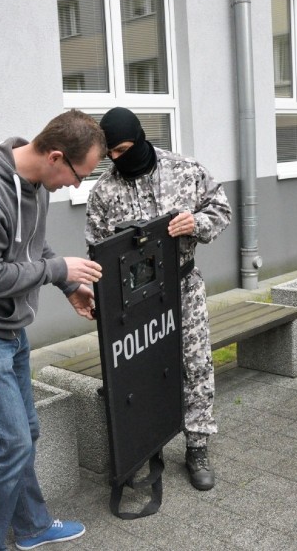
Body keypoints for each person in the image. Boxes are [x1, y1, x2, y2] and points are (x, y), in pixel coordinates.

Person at [0, 109, 105, 551]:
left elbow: (32, 245)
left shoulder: (34, 186)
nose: (76, 186)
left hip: (8, 329)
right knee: (8, 444)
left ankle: (31, 527)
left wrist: (68, 284)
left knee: (23, 433)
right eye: (77, 175)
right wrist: (56, 269)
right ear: (54, 157)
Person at [85, 107, 232, 491]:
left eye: (122, 150)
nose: (117, 160)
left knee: (195, 365)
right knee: (138, 372)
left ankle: (197, 445)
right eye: (110, 154)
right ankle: (142, 445)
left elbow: (221, 208)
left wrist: (195, 224)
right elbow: (96, 248)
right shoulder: (104, 191)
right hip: (134, 302)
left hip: (181, 286)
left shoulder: (183, 169)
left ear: (139, 137)